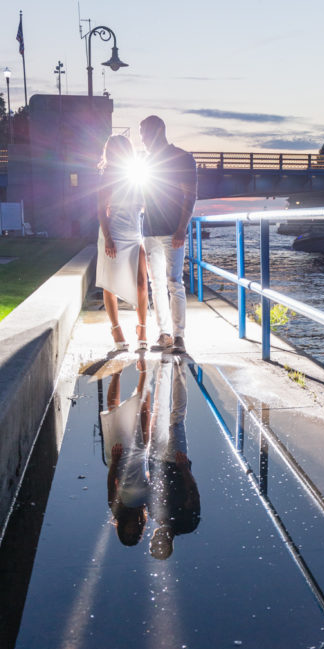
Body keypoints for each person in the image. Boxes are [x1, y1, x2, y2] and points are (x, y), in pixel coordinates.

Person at [139, 115, 197, 354]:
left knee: (174, 282)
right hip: (150, 231)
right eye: (141, 134)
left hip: (172, 230)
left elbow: (190, 195)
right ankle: (164, 334)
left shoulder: (183, 158)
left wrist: (182, 228)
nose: (142, 139)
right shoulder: (144, 161)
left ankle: (179, 335)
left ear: (160, 130)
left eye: (145, 133)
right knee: (157, 285)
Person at [96, 134, 148, 352]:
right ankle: (116, 329)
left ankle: (143, 328)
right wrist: (108, 237)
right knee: (111, 284)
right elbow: (100, 210)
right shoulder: (107, 177)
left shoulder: (137, 175)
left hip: (135, 234)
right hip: (114, 234)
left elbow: (145, 206)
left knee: (142, 283)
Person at [148, 358, 200, 559]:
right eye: (159, 544)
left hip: (156, 461)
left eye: (153, 542)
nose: (156, 539)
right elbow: (193, 496)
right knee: (176, 419)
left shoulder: (155, 516)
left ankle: (164, 365)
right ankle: (179, 367)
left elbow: (152, 485)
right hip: (176, 463)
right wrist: (185, 469)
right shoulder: (186, 524)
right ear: (169, 544)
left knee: (159, 413)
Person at [100, 362, 152, 545]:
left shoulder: (117, 511)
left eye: (127, 535)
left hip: (120, 461)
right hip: (139, 459)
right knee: (142, 412)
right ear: (139, 531)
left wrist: (114, 461)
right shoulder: (145, 507)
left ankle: (117, 372)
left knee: (114, 413)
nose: (131, 531)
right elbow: (149, 479)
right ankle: (144, 369)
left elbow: (110, 485)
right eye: (134, 535)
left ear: (121, 531)